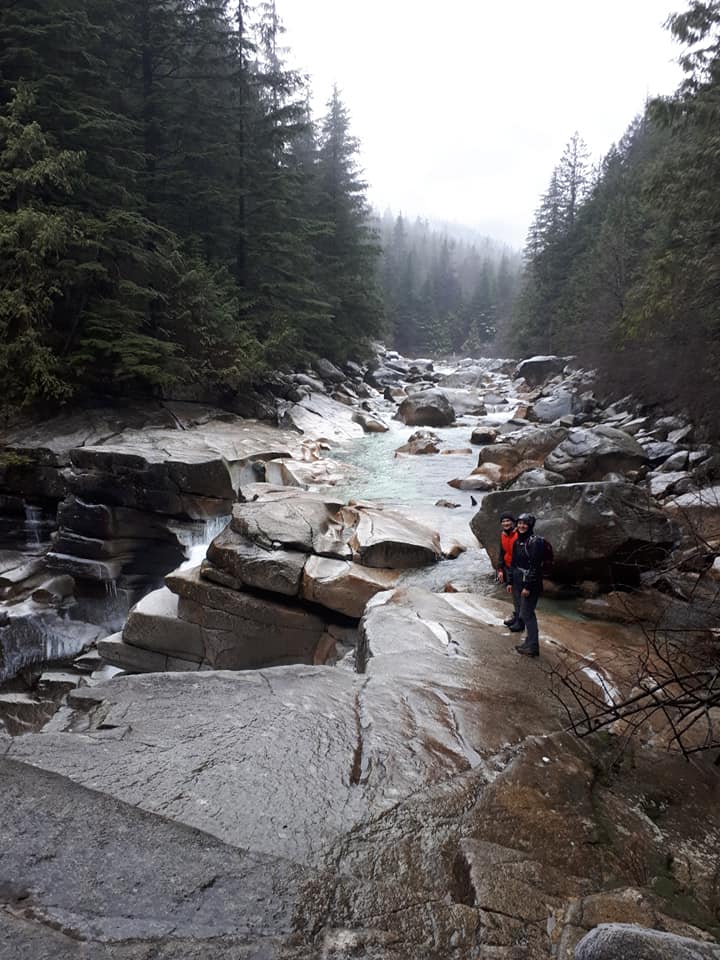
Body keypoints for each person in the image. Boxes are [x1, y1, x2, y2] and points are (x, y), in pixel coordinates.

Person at [510, 513, 543, 657]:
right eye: (519, 523)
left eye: (525, 524)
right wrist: (510, 581)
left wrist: (528, 587)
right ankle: (530, 643)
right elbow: (514, 563)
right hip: (520, 581)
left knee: (527, 614)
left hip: (530, 584)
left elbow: (536, 567)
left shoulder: (535, 542)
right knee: (525, 613)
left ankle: (533, 646)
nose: (521, 526)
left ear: (530, 526)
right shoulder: (518, 542)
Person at [496, 512, 521, 629]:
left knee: (518, 594)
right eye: (503, 521)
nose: (506, 523)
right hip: (508, 567)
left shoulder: (518, 534)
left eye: (508, 521)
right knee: (514, 594)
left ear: (512, 522)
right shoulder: (503, 535)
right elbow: (502, 553)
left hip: (518, 569)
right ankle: (517, 616)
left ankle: (521, 621)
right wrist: (500, 570)